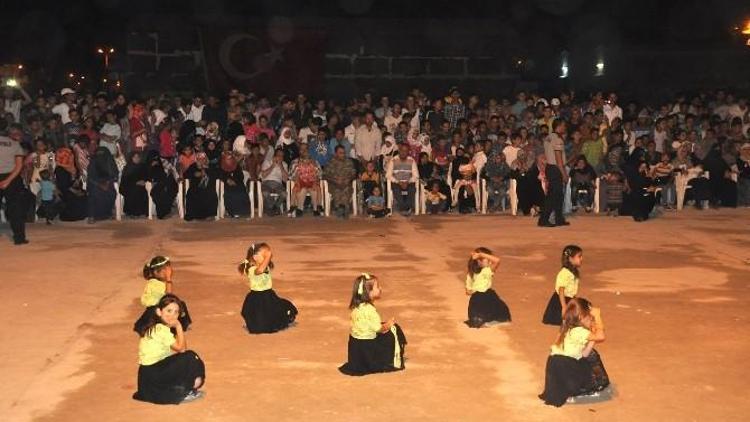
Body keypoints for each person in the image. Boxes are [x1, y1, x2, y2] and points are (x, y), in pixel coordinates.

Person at [132, 295, 205, 404]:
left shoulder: (156, 327)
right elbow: (182, 349)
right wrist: (179, 326)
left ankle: (183, 388)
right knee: (190, 357)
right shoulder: (160, 329)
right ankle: (185, 391)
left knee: (185, 361)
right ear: (159, 312)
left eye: (176, 312)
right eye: (169, 311)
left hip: (147, 375)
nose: (172, 315)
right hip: (153, 373)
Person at [538, 298, 609, 407]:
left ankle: (568, 388)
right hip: (566, 366)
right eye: (590, 316)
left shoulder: (567, 326)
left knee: (590, 354)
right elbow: (601, 336)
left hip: (556, 365)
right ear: (581, 317)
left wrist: (592, 339)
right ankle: (576, 388)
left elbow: (584, 354)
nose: (592, 319)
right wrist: (598, 317)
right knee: (593, 363)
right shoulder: (579, 331)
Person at [339, 273, 407, 376]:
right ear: (368, 292)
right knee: (395, 329)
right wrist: (388, 325)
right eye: (377, 287)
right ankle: (395, 360)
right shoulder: (370, 310)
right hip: (368, 348)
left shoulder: (355, 307)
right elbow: (379, 328)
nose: (380, 288)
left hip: (355, 347)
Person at [238, 243, 298, 334]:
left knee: (278, 311)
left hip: (268, 295)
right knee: (258, 322)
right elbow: (260, 271)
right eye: (265, 255)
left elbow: (263, 268)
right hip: (256, 298)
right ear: (255, 257)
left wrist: (266, 257)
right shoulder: (252, 269)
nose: (268, 258)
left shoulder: (265, 267)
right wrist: (268, 256)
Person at [133, 256, 192, 334]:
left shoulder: (156, 281)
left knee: (179, 304)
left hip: (156, 307)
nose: (168, 272)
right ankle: (182, 326)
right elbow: (169, 296)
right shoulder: (154, 283)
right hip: (154, 310)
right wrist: (168, 279)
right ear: (156, 273)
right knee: (179, 305)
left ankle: (183, 325)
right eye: (165, 271)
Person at [465, 248, 511, 328]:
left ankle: (483, 321)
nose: (490, 262)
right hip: (485, 297)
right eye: (488, 260)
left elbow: (468, 291)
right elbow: (497, 260)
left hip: (476, 300)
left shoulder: (475, 273)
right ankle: (489, 321)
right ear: (479, 261)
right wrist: (481, 255)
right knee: (501, 312)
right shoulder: (486, 271)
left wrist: (480, 255)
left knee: (478, 318)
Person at [0, 122, 29, 244]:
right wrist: (7, 180)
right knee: (15, 208)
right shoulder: (16, 145)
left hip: (7, 175)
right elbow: (19, 166)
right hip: (11, 176)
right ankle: (19, 238)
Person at [542, 245, 583, 326]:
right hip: (562, 301)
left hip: (569, 300)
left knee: (570, 323)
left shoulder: (572, 272)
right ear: (571, 259)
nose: (581, 259)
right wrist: (564, 306)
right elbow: (561, 290)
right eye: (579, 256)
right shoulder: (565, 273)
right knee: (567, 323)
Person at [530, 153, 567, 227]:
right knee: (552, 197)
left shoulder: (550, 165)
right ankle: (543, 221)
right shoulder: (537, 166)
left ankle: (559, 219)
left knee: (558, 196)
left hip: (552, 171)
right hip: (549, 172)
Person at [288, 143, 323, 217]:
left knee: (316, 188)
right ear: (299, 151)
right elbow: (291, 176)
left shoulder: (314, 161)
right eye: (302, 149)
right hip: (301, 182)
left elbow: (319, 175)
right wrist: (298, 180)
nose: (304, 151)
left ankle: (317, 207)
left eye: (305, 149)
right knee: (299, 189)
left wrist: (314, 166)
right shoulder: (295, 162)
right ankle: (295, 207)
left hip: (311, 182)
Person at [86, 147, 118, 223]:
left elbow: (115, 175)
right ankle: (92, 216)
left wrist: (107, 182)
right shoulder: (93, 162)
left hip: (108, 182)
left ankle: (108, 213)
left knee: (112, 193)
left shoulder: (110, 162)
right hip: (95, 183)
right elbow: (90, 177)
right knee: (94, 193)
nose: (100, 157)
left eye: (102, 154)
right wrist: (99, 185)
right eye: (98, 154)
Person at [323, 145, 357, 218]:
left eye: (343, 153)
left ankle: (343, 208)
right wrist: (334, 180)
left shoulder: (349, 162)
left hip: (347, 183)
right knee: (337, 189)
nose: (343, 154)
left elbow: (354, 174)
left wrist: (349, 179)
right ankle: (341, 207)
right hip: (334, 184)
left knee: (346, 189)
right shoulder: (330, 162)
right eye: (340, 153)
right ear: (335, 153)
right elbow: (325, 175)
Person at [386, 144, 419, 216]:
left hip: (408, 182)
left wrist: (408, 182)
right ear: (399, 151)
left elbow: (416, 176)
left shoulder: (411, 160)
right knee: (396, 189)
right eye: (402, 150)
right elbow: (388, 175)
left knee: (412, 189)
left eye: (406, 151)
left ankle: (405, 208)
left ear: (408, 152)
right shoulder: (393, 160)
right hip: (397, 182)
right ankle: (405, 209)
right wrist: (398, 182)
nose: (404, 152)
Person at [184, 152, 219, 221]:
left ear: (206, 159)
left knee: (210, 194)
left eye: (204, 159)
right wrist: (194, 174)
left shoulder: (211, 166)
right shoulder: (193, 166)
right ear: (197, 159)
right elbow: (185, 174)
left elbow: (217, 175)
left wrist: (207, 170)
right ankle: (194, 215)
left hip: (208, 188)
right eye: (199, 159)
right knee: (192, 194)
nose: (202, 160)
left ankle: (209, 214)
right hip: (195, 188)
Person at [146, 151, 179, 219]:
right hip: (156, 184)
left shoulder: (163, 161)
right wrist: (151, 166)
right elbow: (146, 176)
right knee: (158, 192)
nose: (155, 159)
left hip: (167, 182)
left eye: (156, 157)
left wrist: (173, 175)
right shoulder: (147, 164)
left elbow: (173, 170)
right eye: (153, 158)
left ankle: (167, 211)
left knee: (169, 189)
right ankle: (161, 213)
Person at [219, 150, 251, 217]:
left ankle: (243, 211)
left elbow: (241, 176)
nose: (229, 160)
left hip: (238, 184)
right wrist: (227, 179)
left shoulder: (236, 166)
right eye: (227, 159)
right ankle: (233, 212)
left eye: (230, 158)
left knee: (241, 192)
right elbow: (220, 175)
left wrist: (235, 181)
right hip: (227, 184)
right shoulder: (221, 166)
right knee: (230, 193)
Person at [259, 148, 289, 216]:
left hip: (278, 184)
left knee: (284, 194)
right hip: (266, 182)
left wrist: (281, 167)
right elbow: (263, 175)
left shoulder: (284, 164)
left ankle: (272, 208)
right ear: (274, 155)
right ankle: (274, 208)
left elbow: (285, 179)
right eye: (278, 155)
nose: (280, 157)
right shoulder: (267, 161)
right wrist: (272, 166)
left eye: (282, 156)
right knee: (265, 193)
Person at [119, 152, 149, 217]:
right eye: (135, 157)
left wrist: (144, 180)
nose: (137, 159)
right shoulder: (128, 167)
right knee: (134, 190)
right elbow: (125, 180)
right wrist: (135, 182)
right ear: (131, 158)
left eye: (138, 157)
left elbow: (147, 175)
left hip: (141, 186)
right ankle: (132, 212)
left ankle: (142, 212)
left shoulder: (142, 166)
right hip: (129, 186)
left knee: (142, 191)